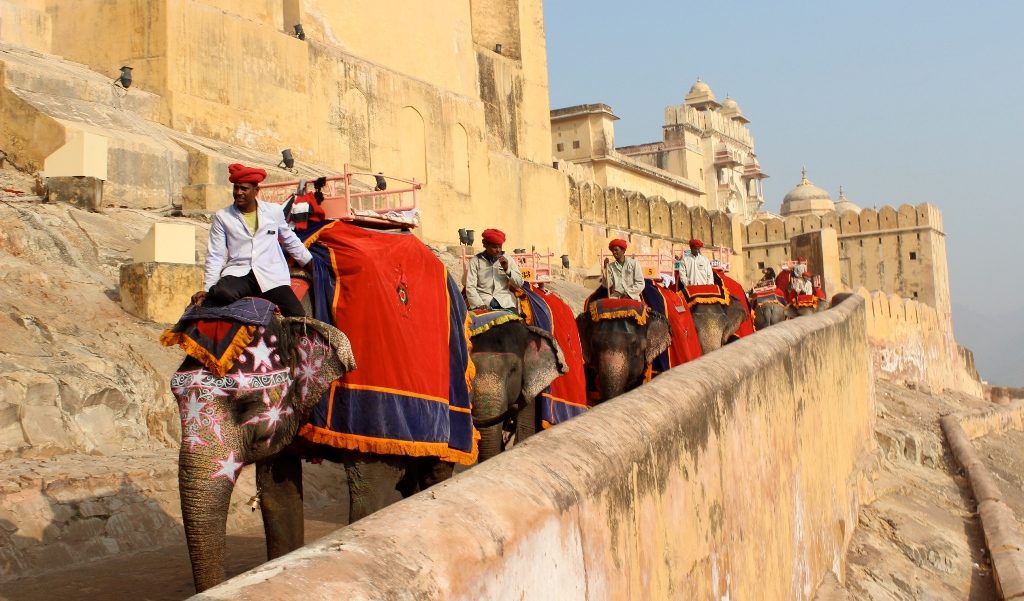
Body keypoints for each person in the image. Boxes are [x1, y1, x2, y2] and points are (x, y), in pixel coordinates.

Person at [190, 163, 312, 317]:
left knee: (297, 314)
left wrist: (308, 261)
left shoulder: (273, 211)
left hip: (270, 275)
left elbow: (289, 239)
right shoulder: (223, 216)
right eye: (236, 188)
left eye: (244, 189)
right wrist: (208, 289)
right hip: (239, 274)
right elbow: (215, 255)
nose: (239, 193)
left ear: (256, 191)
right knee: (220, 293)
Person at [465, 228, 524, 311]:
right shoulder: (476, 261)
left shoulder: (508, 259)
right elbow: (470, 286)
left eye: (500, 247)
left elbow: (519, 283)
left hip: (505, 302)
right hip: (483, 303)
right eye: (494, 247)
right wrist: (478, 304)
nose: (498, 250)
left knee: (517, 322)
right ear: (485, 245)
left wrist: (507, 270)